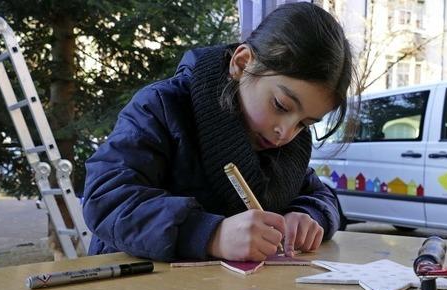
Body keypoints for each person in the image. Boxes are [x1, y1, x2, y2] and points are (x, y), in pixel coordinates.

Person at [82, 2, 355, 262]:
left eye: (304, 123)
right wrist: (210, 234)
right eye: (281, 105)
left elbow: (321, 195)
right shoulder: (162, 107)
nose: (284, 133)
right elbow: (106, 199)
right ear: (242, 63)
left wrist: (307, 215)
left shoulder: (283, 148)